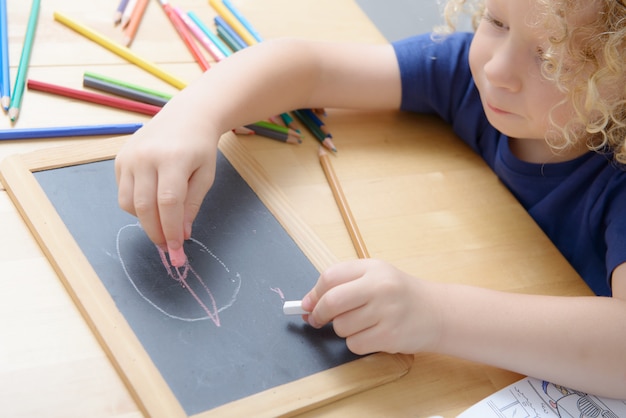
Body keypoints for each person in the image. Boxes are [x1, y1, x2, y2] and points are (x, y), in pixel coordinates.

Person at [115, 0, 626, 398]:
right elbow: (307, 67)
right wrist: (192, 116)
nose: (497, 69)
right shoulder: (466, 77)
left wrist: (438, 315)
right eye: (496, 19)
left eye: (550, 56)